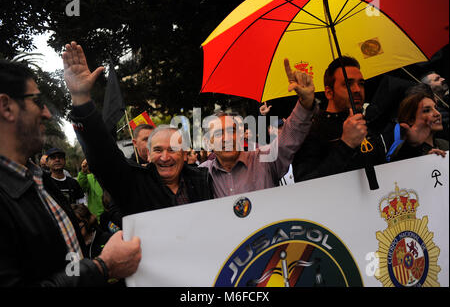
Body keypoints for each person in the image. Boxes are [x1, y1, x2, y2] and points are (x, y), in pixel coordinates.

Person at [0, 59, 141, 286]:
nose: (46, 113)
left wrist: (81, 98)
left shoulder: (40, 180)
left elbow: (68, 261)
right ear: (6, 107)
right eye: (37, 101)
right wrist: (102, 266)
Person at [63, 41, 213, 216]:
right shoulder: (133, 183)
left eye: (173, 149)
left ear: (185, 154)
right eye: (158, 149)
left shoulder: (204, 179)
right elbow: (102, 154)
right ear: (148, 154)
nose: (165, 157)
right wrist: (81, 99)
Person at [199, 58, 317, 198]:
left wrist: (305, 103)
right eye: (219, 133)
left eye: (232, 131)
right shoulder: (201, 176)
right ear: (208, 142)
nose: (228, 138)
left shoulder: (265, 159)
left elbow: (290, 137)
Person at [292, 56, 388, 183]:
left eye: (361, 83)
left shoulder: (367, 124)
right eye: (348, 84)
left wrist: (410, 144)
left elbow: (387, 176)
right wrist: (346, 144)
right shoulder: (312, 131)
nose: (357, 89)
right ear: (329, 92)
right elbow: (305, 184)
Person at [386, 84, 448, 162]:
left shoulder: (444, 144)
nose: (437, 113)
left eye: (436, 108)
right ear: (411, 120)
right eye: (427, 110)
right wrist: (425, 162)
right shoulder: (404, 152)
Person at [420, 71, 449, 140]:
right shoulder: (433, 110)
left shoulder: (446, 100)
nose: (443, 79)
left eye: (441, 77)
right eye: (437, 79)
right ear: (428, 87)